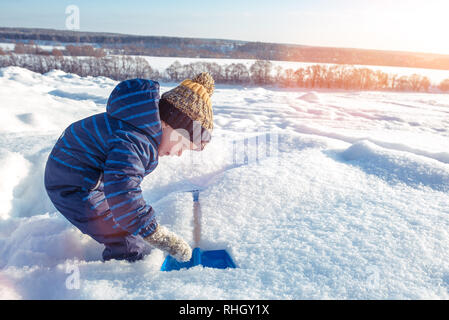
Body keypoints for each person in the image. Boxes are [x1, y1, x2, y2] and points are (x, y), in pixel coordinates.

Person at [44, 72, 214, 262]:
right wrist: (155, 233)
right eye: (182, 145)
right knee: (124, 236)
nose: (179, 153)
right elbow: (122, 190)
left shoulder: (137, 127)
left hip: (80, 175)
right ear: (168, 124)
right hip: (72, 185)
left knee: (124, 214)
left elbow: (122, 184)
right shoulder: (135, 141)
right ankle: (125, 276)